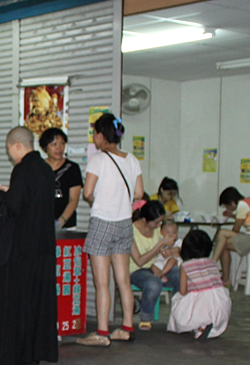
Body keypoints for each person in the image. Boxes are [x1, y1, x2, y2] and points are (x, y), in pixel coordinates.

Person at [0, 126, 58, 365]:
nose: (10, 154)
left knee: (18, 303)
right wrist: (11, 193)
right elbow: (31, 200)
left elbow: (15, 208)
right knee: (38, 304)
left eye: (9, 149)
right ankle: (34, 353)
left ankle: (14, 354)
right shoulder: (46, 169)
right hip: (43, 248)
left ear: (18, 145)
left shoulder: (22, 169)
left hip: (22, 250)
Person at [77, 113, 143, 346]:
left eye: (95, 132)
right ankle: (126, 328)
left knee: (102, 282)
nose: (94, 137)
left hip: (103, 223)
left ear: (102, 135)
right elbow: (139, 193)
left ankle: (102, 333)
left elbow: (87, 193)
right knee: (123, 279)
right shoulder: (132, 160)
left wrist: (102, 198)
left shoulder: (98, 160)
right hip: (125, 223)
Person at [167, 230, 232, 339]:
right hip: (221, 302)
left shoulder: (186, 265)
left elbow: (183, 291)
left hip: (202, 304)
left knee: (179, 300)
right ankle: (205, 326)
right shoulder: (212, 263)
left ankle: (199, 325)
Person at [130, 201, 179, 331]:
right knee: (153, 282)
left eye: (160, 222)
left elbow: (173, 249)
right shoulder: (130, 231)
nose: (159, 226)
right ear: (145, 219)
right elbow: (139, 261)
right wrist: (158, 246)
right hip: (136, 270)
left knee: (180, 274)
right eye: (156, 223)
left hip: (158, 266)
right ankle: (145, 318)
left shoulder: (158, 230)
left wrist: (170, 249)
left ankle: (180, 314)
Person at [211, 187, 250, 286]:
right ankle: (226, 279)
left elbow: (236, 228)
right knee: (222, 244)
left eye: (227, 206)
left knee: (222, 234)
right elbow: (244, 218)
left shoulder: (242, 205)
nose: (227, 209)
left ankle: (213, 264)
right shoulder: (248, 201)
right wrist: (231, 215)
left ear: (232, 202)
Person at [39, 128, 83, 230]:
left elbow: (73, 200)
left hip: (66, 225)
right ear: (46, 147)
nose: (59, 148)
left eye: (62, 143)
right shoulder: (39, 167)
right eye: (54, 144)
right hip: (42, 225)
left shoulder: (73, 168)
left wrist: (60, 222)